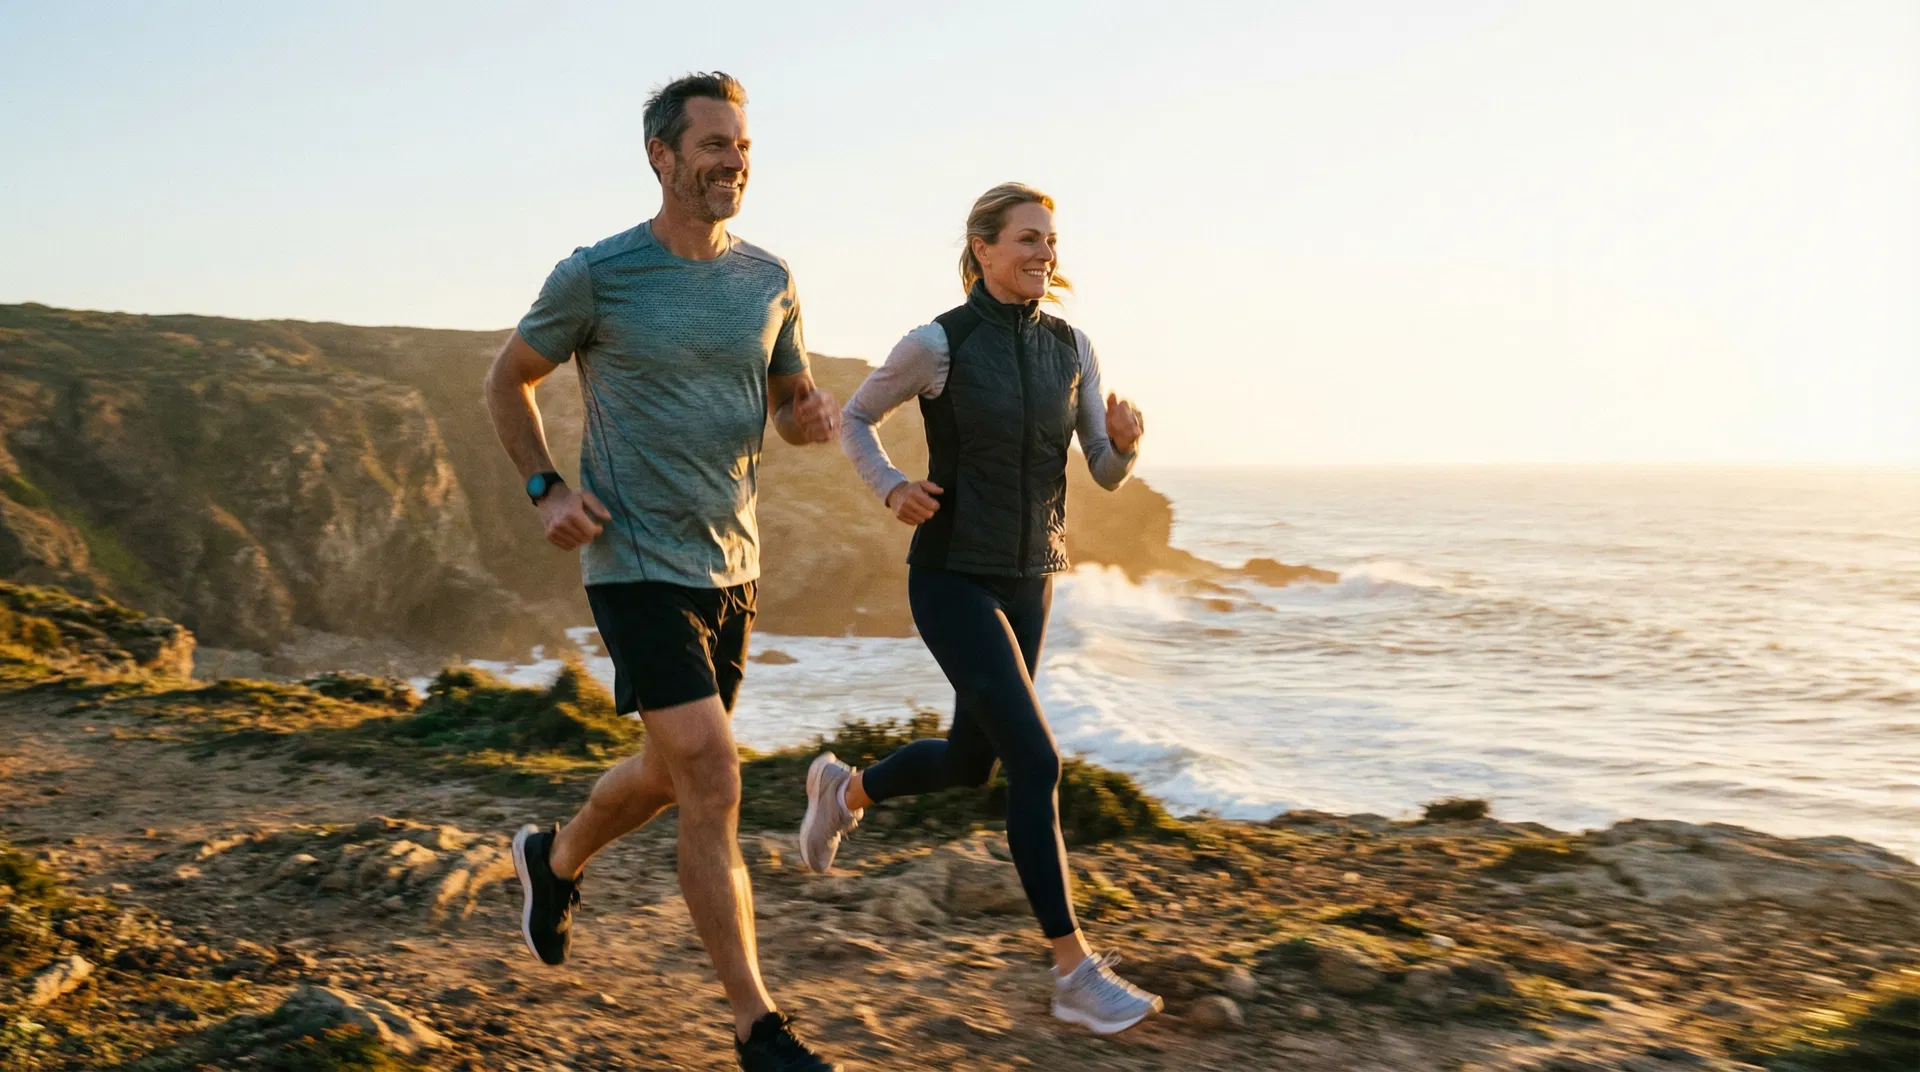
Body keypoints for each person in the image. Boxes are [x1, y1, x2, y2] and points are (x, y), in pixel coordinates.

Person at [483, 72, 841, 1072]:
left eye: (743, 147)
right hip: (631, 558)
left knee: (667, 769)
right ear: (662, 156)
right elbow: (504, 378)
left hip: (732, 559)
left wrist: (806, 421)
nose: (733, 162)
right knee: (714, 775)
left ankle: (550, 863)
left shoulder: (770, 276)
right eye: (714, 145)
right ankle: (755, 1027)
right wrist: (547, 488)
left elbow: (790, 397)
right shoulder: (598, 274)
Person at [803, 182, 1162, 1035]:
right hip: (952, 576)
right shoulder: (939, 344)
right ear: (984, 249)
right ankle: (1073, 971)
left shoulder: (1073, 346)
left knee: (975, 762)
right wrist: (891, 486)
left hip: (1031, 575)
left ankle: (844, 791)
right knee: (1037, 764)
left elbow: (1102, 470)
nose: (1044, 253)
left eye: (1051, 240)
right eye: (1028, 239)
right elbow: (857, 417)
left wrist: (1127, 441)